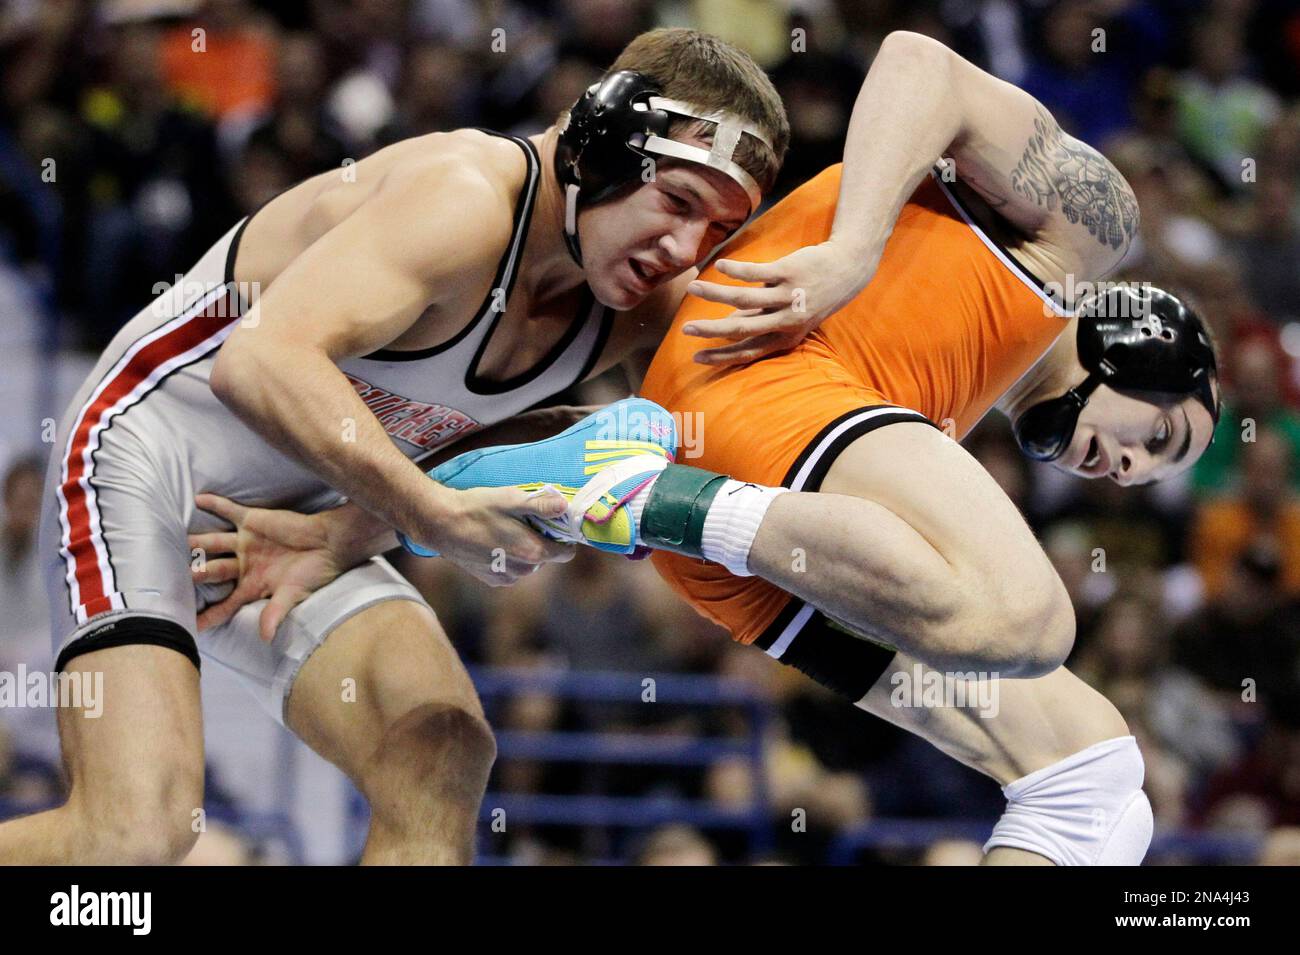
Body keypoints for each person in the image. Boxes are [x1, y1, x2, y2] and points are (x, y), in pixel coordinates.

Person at [193, 32, 1225, 865]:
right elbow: (919, 62)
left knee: (1088, 777)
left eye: (1151, 475)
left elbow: (528, 425)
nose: (1128, 473)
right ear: (1145, 343)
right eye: (1159, 436)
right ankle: (646, 496)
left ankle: (646, 496)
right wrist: (852, 249)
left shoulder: (957, 391)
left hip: (755, 548)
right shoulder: (1085, 234)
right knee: (1027, 614)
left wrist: (344, 536)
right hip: (764, 391)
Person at [0, 28, 790, 865]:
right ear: (599, 145)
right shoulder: (463, 199)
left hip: (300, 508)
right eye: (676, 200)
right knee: (135, 832)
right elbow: (262, 363)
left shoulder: (636, 298)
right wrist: (429, 512)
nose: (684, 250)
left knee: (440, 745)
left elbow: (495, 451)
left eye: (717, 227)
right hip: (147, 454)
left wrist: (346, 531)